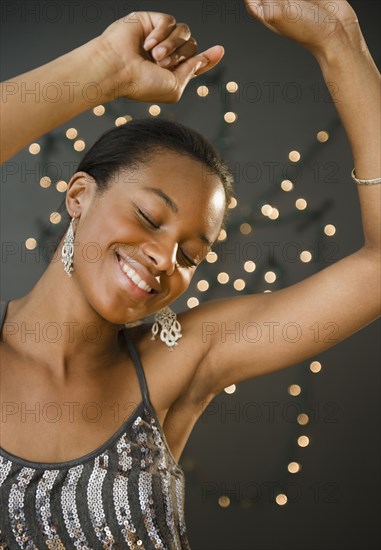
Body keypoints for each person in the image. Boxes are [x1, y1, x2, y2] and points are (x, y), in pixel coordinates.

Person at [0, 1, 380, 548]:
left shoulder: (179, 362)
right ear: (79, 195)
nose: (163, 258)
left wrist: (341, 42)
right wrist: (104, 67)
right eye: (149, 218)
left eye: (191, 255)